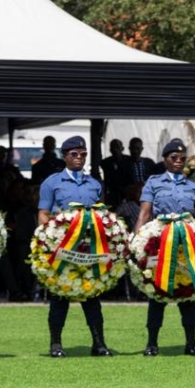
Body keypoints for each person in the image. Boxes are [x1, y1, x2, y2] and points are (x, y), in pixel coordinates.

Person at [37, 135, 113, 358]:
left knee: (92, 299)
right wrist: (53, 236)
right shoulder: (52, 183)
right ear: (65, 156)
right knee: (59, 298)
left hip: (90, 249)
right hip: (63, 249)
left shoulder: (94, 183)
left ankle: (99, 343)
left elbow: (102, 214)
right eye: (74, 154)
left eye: (83, 154)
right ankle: (56, 343)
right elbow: (43, 214)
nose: (79, 158)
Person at [135, 138, 195, 357]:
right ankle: (152, 342)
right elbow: (145, 214)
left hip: (186, 244)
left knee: (188, 292)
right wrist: (136, 241)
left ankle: (191, 342)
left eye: (182, 158)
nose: (178, 161)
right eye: (174, 158)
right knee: (158, 293)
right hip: (160, 242)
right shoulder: (154, 182)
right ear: (165, 159)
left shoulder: (193, 186)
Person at [97, 138, 127, 208]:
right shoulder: (105, 163)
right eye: (113, 148)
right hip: (111, 194)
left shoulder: (128, 161)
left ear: (122, 149)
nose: (115, 150)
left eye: (117, 147)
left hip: (125, 194)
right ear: (110, 150)